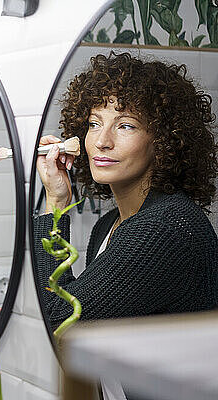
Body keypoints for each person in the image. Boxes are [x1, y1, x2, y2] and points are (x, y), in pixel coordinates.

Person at [33, 51, 218, 398]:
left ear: (163, 141)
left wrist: (56, 205)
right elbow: (85, 324)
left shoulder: (165, 230)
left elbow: (61, 321)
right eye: (93, 123)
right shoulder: (109, 226)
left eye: (126, 125)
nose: (102, 140)